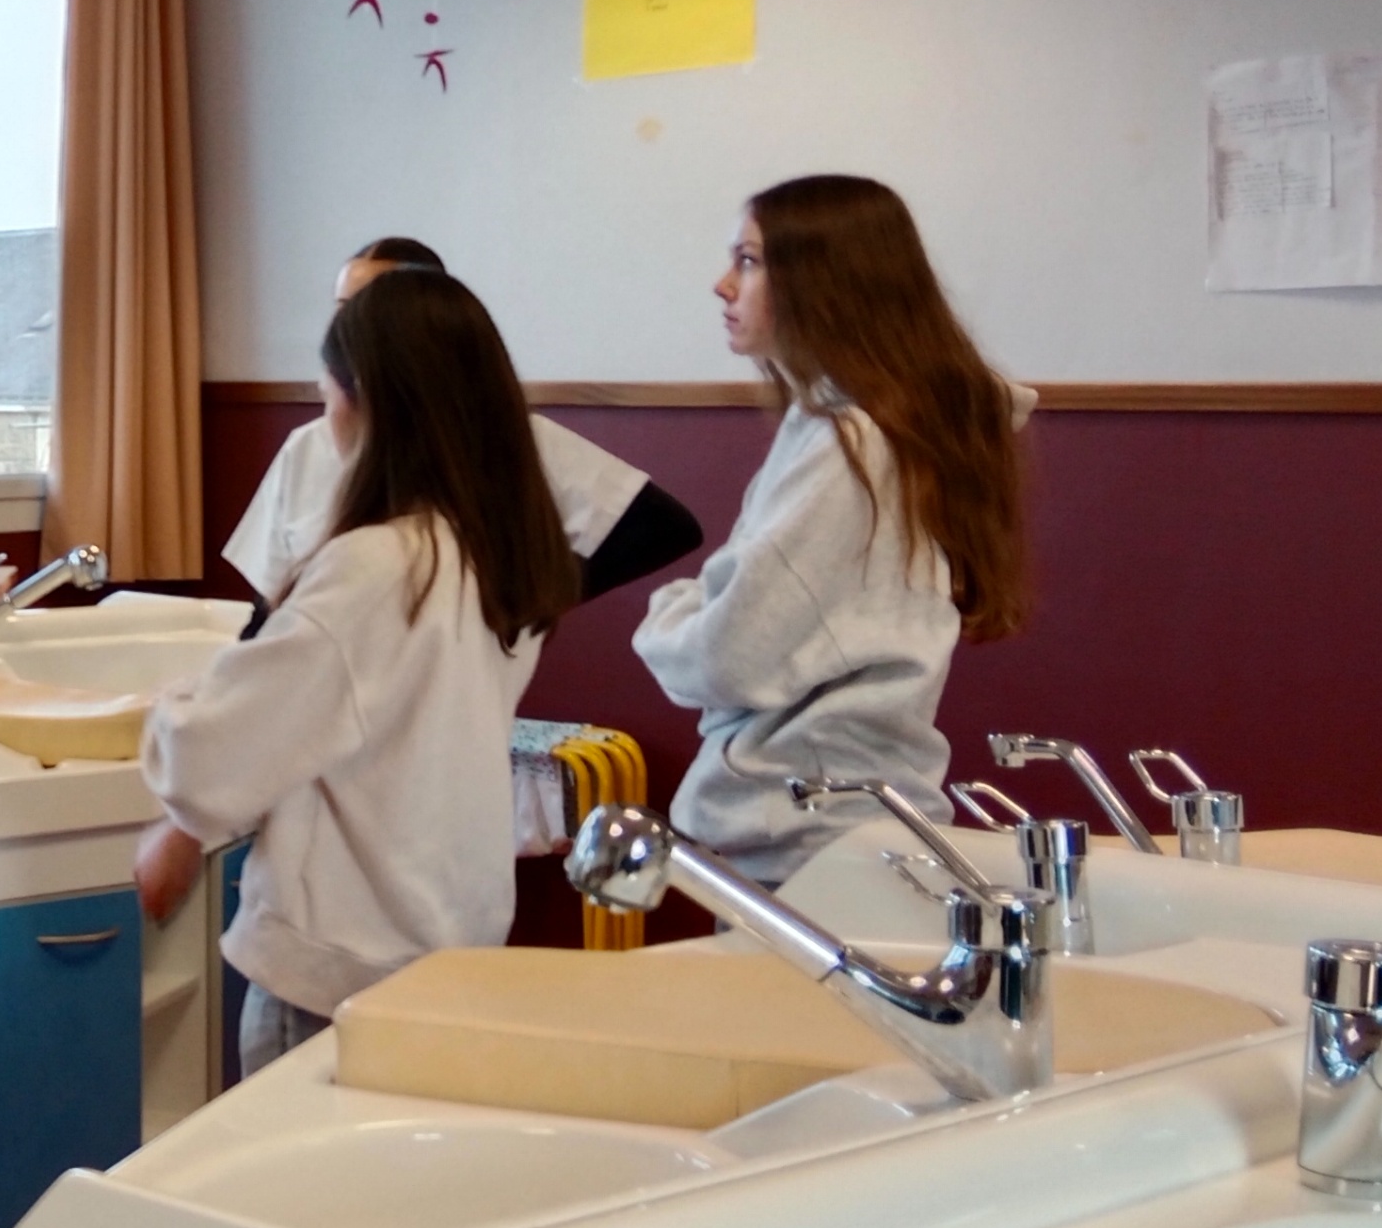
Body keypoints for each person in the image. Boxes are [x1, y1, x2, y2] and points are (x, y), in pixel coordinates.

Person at [134, 268, 579, 1076]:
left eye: (326, 392)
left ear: (365, 397)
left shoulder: (375, 567)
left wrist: (171, 704)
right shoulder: (497, 555)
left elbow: (215, 751)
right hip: (449, 941)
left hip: (338, 966)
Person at [634, 174, 1030, 884]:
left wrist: (666, 614)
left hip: (813, 833)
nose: (723, 285)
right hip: (833, 821)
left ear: (823, 282)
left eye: (749, 261)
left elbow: (727, 656)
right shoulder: (872, 429)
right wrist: (710, 603)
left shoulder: (850, 447)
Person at [219, 236, 701, 618]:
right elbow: (270, 599)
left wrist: (527, 606)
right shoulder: (307, 447)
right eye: (343, 307)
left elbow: (663, 527)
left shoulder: (512, 437)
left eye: (374, 306)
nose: (352, 327)